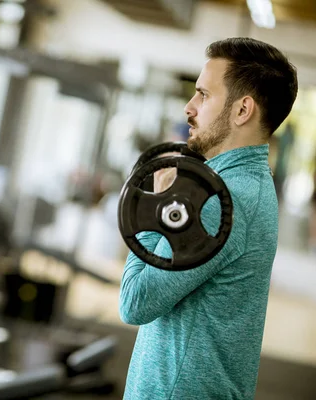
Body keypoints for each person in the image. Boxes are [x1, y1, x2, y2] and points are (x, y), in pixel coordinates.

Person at [119, 37, 298, 399]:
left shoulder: (221, 202)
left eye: (203, 94)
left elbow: (135, 302)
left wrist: (155, 206)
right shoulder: (246, 187)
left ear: (242, 110)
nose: (189, 107)